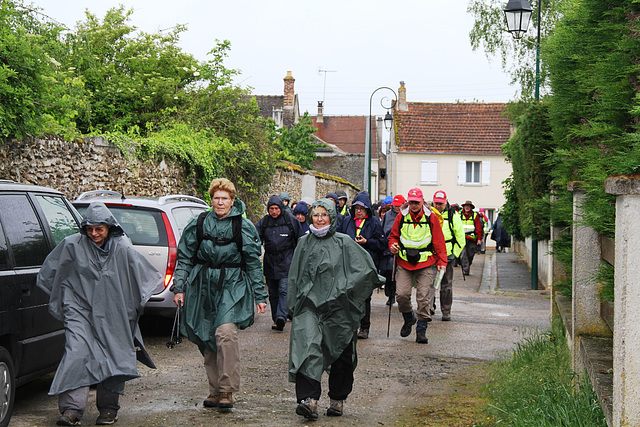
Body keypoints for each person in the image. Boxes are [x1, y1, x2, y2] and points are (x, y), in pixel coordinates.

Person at [37, 202, 162, 426]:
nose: (94, 233)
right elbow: (50, 273)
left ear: (109, 227)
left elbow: (144, 277)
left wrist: (133, 307)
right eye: (90, 229)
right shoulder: (72, 246)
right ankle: (72, 410)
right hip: (80, 312)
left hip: (113, 313)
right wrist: (65, 298)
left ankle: (108, 409)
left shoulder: (122, 247)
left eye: (99, 229)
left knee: (112, 355)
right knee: (77, 354)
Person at [172, 178, 268, 411]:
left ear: (232, 201)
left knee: (225, 333)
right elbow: (185, 257)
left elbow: (253, 263)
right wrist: (179, 287)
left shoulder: (242, 226)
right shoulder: (199, 223)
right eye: (216, 198)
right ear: (211, 199)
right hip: (203, 284)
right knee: (206, 336)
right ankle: (214, 391)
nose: (220, 202)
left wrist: (260, 295)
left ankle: (227, 390)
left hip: (232, 284)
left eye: (225, 198)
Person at [288, 198, 384, 420]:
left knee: (340, 351)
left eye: (324, 215)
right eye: (316, 214)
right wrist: (292, 305)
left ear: (332, 217)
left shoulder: (344, 242)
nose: (320, 219)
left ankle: (337, 398)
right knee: (306, 346)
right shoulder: (304, 242)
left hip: (339, 307)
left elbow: (364, 269)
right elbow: (294, 274)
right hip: (309, 306)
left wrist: (347, 290)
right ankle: (308, 400)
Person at [389, 188, 447, 344]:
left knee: (423, 297)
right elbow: (394, 236)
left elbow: (439, 241)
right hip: (404, 261)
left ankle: (421, 330)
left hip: (425, 262)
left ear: (422, 201)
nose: (414, 205)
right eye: (411, 202)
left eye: (416, 202)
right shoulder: (401, 216)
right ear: (408, 201)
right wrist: (393, 246)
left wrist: (442, 261)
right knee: (401, 295)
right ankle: (409, 318)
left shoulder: (431, 218)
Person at [337, 191, 385, 339]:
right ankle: (349, 325)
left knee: (365, 297)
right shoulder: (346, 222)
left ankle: (364, 327)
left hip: (366, 266)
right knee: (347, 296)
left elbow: (382, 244)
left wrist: (367, 242)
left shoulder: (374, 223)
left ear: (367, 210)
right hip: (348, 265)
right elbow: (338, 239)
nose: (358, 211)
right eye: (356, 208)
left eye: (362, 208)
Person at [255, 194, 302, 331]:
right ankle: (276, 319)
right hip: (270, 261)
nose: (274, 211)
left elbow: (300, 239)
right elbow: (256, 239)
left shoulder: (290, 220)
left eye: (276, 208)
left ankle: (282, 315)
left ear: (281, 208)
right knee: (273, 292)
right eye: (271, 209)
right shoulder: (264, 222)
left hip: (287, 260)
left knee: (283, 289)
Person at [430, 190, 465, 321]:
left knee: (446, 285)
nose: (438, 206)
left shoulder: (453, 215)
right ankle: (428, 308)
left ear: (446, 202)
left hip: (448, 256)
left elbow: (460, 238)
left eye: (441, 203)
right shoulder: (428, 213)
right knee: (428, 283)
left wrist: (454, 255)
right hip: (431, 255)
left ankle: (446, 311)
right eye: (436, 203)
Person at [379, 194, 406, 306]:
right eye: (395, 206)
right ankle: (390, 295)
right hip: (388, 247)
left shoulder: (406, 215)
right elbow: (382, 228)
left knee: (399, 274)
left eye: (399, 206)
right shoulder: (388, 215)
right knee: (388, 272)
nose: (397, 208)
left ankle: (397, 295)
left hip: (402, 248)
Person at [459, 200, 483, 275]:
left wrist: (479, 239)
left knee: (470, 255)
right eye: (465, 206)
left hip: (472, 239)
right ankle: (465, 270)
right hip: (462, 238)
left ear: (471, 208)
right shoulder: (459, 214)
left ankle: (467, 266)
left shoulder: (475, 215)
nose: (467, 207)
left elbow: (478, 228)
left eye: (468, 206)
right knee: (463, 255)